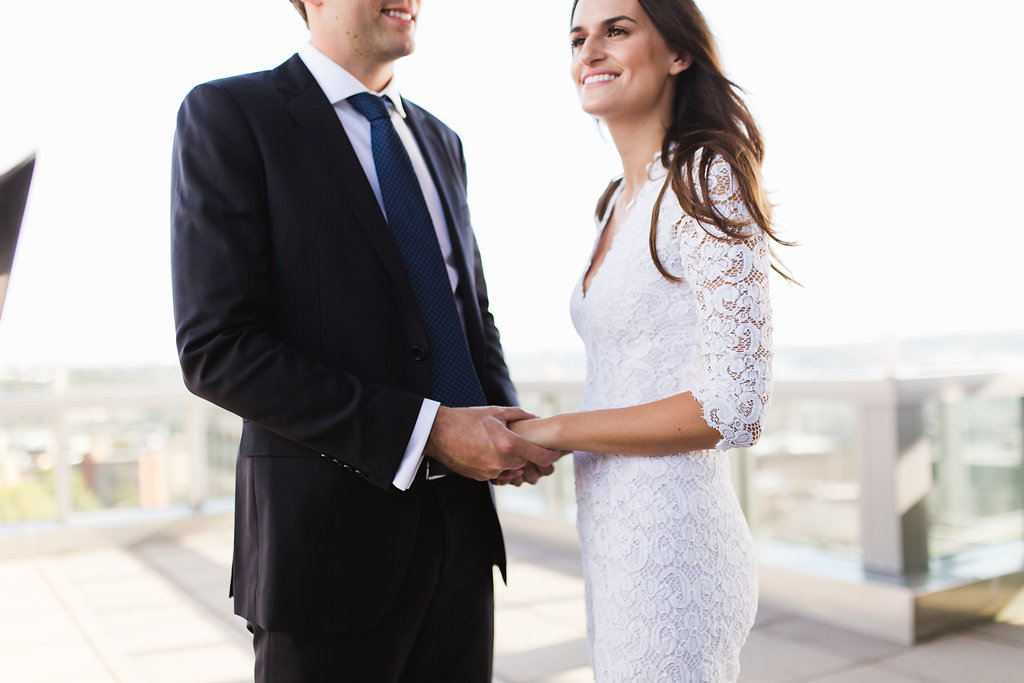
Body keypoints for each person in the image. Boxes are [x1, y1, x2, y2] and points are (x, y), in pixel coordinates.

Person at [170, 1, 559, 680]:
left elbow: (471, 313)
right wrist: (429, 431)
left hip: (463, 539)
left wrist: (506, 420)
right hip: (327, 554)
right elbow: (217, 348)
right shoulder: (232, 115)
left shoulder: (441, 140)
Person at [510, 0, 794, 679]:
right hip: (612, 538)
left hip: (675, 545)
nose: (590, 52)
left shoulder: (705, 180)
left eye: (617, 30)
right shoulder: (616, 201)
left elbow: (733, 405)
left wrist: (557, 430)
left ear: (678, 52)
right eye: (578, 38)